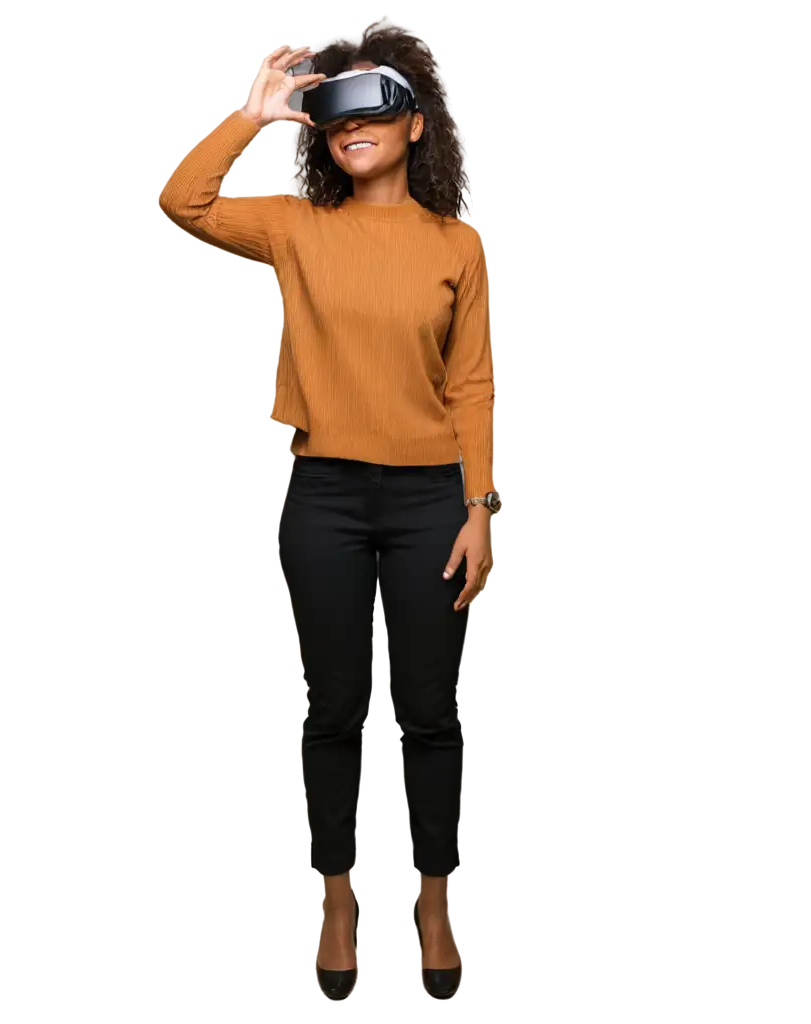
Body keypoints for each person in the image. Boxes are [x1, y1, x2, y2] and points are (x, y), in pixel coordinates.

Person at [156, 29, 498, 1002]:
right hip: (326, 496)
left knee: (430, 712)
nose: (354, 128)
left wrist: (481, 506)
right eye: (336, 114)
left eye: (375, 110)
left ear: (413, 125)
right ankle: (338, 903)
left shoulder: (456, 247)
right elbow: (181, 198)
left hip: (434, 494)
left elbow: (472, 384)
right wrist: (250, 115)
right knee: (337, 709)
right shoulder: (296, 229)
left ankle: (434, 904)